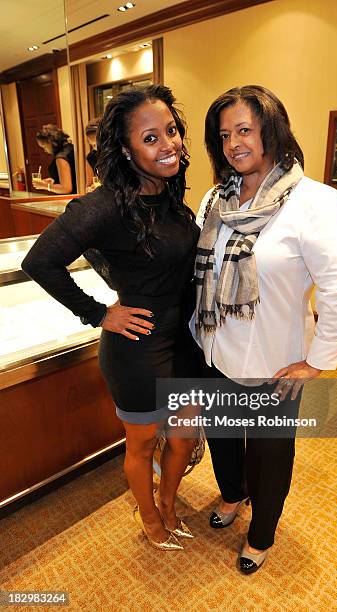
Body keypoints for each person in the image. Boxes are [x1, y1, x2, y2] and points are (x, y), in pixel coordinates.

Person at [190, 85, 337, 574]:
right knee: (224, 436)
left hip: (274, 359)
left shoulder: (314, 201)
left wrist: (318, 358)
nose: (233, 144)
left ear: (271, 129)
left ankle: (261, 533)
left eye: (244, 130)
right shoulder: (215, 198)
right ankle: (231, 495)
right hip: (214, 347)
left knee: (269, 454)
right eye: (224, 135)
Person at [22, 84, 200, 552]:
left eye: (172, 131)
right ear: (124, 149)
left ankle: (168, 502)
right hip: (137, 349)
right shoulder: (101, 205)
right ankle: (150, 520)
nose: (170, 144)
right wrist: (99, 313)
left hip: (183, 340)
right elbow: (39, 261)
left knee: (183, 439)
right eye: (151, 138)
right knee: (141, 446)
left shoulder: (169, 191)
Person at [34, 124, 77, 194]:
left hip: (69, 200)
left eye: (44, 147)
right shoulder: (71, 148)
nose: (44, 150)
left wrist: (45, 186)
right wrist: (54, 181)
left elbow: (66, 188)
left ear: (50, 142)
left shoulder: (61, 157)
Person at [84, 118, 100, 191]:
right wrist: (90, 189)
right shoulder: (91, 157)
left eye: (99, 144)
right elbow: (89, 185)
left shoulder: (119, 154)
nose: (97, 148)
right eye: (93, 145)